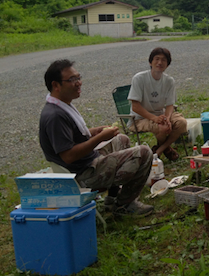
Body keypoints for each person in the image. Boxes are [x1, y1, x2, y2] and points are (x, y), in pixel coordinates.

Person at [39, 59, 154, 216]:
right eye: (72, 80)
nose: (79, 83)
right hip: (82, 173)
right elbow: (68, 156)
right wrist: (99, 138)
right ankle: (125, 205)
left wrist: (94, 132)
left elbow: (72, 135)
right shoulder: (55, 116)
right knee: (144, 153)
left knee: (122, 140)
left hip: (86, 162)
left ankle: (112, 198)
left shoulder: (61, 104)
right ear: (56, 85)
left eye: (78, 77)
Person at [128, 47, 188, 161]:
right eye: (157, 59)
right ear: (150, 62)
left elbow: (170, 104)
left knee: (181, 123)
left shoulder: (169, 81)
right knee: (162, 127)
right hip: (140, 119)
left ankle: (159, 150)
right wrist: (155, 119)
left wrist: (167, 118)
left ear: (167, 64)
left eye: (163, 60)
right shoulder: (139, 78)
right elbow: (135, 106)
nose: (160, 62)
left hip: (160, 115)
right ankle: (166, 149)